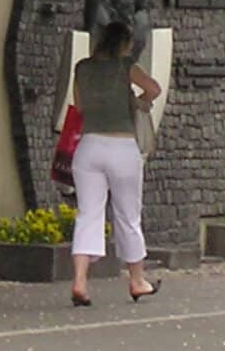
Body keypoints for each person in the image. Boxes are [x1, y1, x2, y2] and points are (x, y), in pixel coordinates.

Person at [67, 21, 162, 307]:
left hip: (89, 147)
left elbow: (80, 107)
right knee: (128, 215)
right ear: (123, 43)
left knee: (88, 214)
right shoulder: (125, 66)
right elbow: (154, 89)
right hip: (122, 147)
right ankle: (137, 281)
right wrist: (138, 100)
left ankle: (80, 282)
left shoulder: (82, 68)